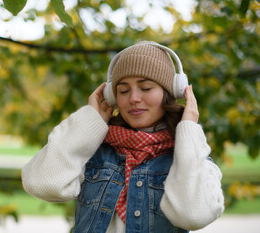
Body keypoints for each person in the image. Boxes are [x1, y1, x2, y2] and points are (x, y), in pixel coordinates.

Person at [22, 41, 224, 233]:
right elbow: (42, 183)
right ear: (112, 96)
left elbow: (193, 215)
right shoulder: (94, 153)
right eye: (123, 90)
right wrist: (89, 122)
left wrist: (188, 129)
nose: (134, 98)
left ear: (170, 92)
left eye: (146, 88)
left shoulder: (193, 160)